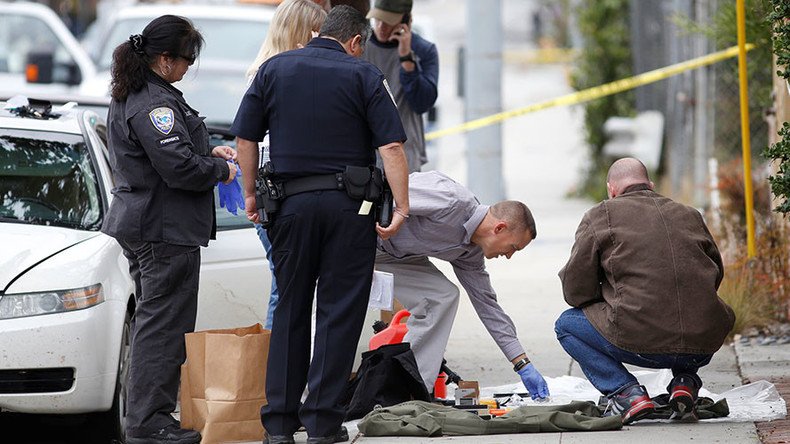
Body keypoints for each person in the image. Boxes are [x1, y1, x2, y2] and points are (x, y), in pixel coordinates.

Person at [230, 6, 410, 444]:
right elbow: (391, 147)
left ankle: (278, 426)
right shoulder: (364, 76)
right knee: (338, 313)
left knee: (290, 308)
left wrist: (251, 194)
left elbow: (245, 138)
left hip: (289, 209)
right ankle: (322, 426)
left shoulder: (273, 69)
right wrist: (401, 207)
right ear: (354, 42)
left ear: (318, 33)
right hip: (350, 211)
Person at [101, 15, 237, 444]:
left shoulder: (140, 93)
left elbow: (170, 150)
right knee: (162, 328)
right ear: (164, 59)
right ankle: (149, 423)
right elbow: (176, 167)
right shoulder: (152, 102)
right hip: (162, 227)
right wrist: (220, 169)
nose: (187, 68)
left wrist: (205, 147)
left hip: (150, 221)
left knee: (154, 323)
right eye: (186, 60)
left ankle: (147, 417)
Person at [555, 157, 735, 424]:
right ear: (650, 185)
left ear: (611, 190)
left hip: (638, 341)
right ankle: (685, 382)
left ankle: (627, 393)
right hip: (701, 342)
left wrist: (605, 299)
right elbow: (715, 274)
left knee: (566, 325)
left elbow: (575, 290)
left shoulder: (600, 215)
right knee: (692, 309)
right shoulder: (690, 214)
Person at [375, 171, 550, 400]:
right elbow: (384, 194)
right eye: (513, 247)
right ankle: (317, 393)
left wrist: (521, 363)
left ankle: (410, 391)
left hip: (397, 257)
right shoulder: (450, 199)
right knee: (335, 308)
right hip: (359, 240)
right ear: (499, 228)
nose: (509, 256)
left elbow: (488, 307)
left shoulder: (471, 254)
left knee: (442, 297)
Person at [245, 0, 327, 330]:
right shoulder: (273, 76)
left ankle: (280, 369)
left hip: (277, 193)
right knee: (287, 285)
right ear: (302, 33)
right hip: (277, 195)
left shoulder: (266, 72)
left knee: (288, 282)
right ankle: (275, 369)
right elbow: (255, 142)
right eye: (319, 33)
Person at [364, 0, 438, 172]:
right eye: (378, 19)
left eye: (388, 21)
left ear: (406, 21)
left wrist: (407, 61)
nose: (381, 26)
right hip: (365, 151)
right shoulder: (361, 44)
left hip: (405, 150)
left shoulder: (423, 50)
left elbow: (422, 104)